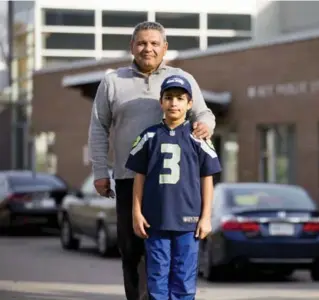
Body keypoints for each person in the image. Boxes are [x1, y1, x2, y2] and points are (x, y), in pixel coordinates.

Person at [88, 21, 215, 300]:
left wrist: (206, 125)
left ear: (165, 48)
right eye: (142, 43)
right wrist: (100, 170)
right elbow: (98, 127)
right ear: (132, 47)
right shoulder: (113, 82)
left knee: (169, 256)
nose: (148, 48)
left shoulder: (182, 78)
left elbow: (204, 113)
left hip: (172, 186)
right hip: (127, 178)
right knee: (132, 251)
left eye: (155, 43)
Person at [126, 74, 222, 300]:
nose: (174, 103)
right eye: (168, 97)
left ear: (190, 104)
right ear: (161, 102)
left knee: (184, 280)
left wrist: (206, 216)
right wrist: (136, 212)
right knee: (157, 278)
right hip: (155, 220)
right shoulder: (149, 136)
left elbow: (207, 178)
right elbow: (139, 177)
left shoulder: (198, 137)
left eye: (180, 98)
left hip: (188, 223)